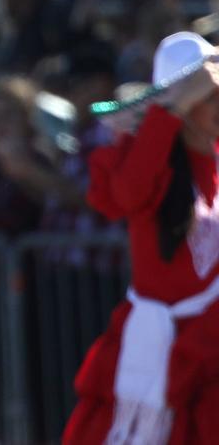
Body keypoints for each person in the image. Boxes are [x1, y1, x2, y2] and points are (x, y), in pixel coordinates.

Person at [65, 32, 219, 444]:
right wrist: (169, 111)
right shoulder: (145, 162)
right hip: (163, 349)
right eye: (207, 97)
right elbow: (127, 196)